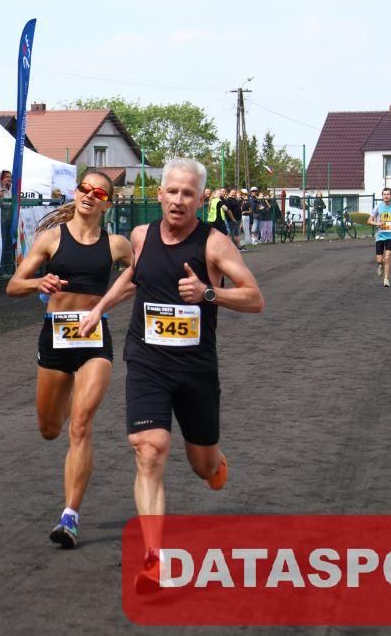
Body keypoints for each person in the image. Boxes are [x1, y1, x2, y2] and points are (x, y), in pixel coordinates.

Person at [77, 158, 264, 587]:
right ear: (159, 194)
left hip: (195, 369)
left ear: (201, 199)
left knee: (203, 468)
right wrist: (99, 308)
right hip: (147, 361)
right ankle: (153, 558)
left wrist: (208, 293)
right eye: (172, 191)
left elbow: (255, 298)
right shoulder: (141, 236)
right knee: (149, 449)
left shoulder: (214, 244)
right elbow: (134, 277)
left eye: (188, 194)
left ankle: (213, 459)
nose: (179, 200)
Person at [6, 170, 133, 549]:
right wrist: (38, 283)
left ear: (107, 203)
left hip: (95, 340)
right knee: (50, 429)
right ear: (76, 193)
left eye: (99, 193)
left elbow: (143, 275)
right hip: (55, 338)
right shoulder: (51, 239)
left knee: (81, 424)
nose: (89, 195)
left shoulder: (117, 245)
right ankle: (64, 403)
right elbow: (14, 285)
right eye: (84, 188)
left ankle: (70, 517)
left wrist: (107, 302)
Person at [368, 187, 391, 288]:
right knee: (379, 260)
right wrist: (377, 223)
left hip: (390, 236)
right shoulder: (378, 207)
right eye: (384, 194)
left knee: (387, 256)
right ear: (382, 196)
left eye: (388, 194)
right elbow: (369, 221)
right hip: (380, 236)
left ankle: (386, 279)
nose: (386, 196)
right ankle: (381, 265)